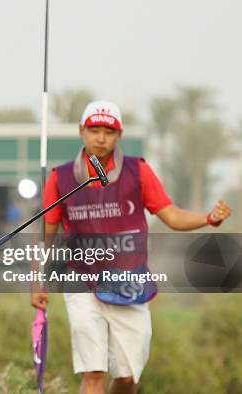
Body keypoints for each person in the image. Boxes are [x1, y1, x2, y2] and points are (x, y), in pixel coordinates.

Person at [31, 100, 231, 394]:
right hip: (81, 283)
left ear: (119, 135)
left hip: (129, 284)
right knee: (93, 371)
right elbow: (45, 237)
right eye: (94, 130)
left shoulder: (138, 171)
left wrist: (208, 219)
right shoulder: (60, 179)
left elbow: (171, 215)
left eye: (109, 132)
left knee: (126, 377)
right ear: (81, 131)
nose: (101, 138)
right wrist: (38, 280)